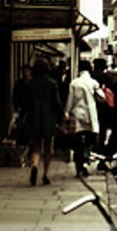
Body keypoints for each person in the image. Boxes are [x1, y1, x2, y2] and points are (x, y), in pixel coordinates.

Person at [20, 58, 62, 186]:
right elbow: (56, 103)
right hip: (48, 118)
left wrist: (21, 117)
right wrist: (61, 116)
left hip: (34, 118)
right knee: (48, 147)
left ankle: (35, 165)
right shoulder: (52, 83)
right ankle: (45, 175)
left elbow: (25, 103)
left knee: (36, 146)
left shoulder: (31, 84)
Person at [64, 60, 100, 177]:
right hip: (90, 115)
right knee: (89, 141)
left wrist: (67, 112)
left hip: (77, 115)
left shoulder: (74, 83)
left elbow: (70, 100)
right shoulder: (94, 83)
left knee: (77, 142)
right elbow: (102, 98)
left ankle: (79, 166)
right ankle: (85, 161)